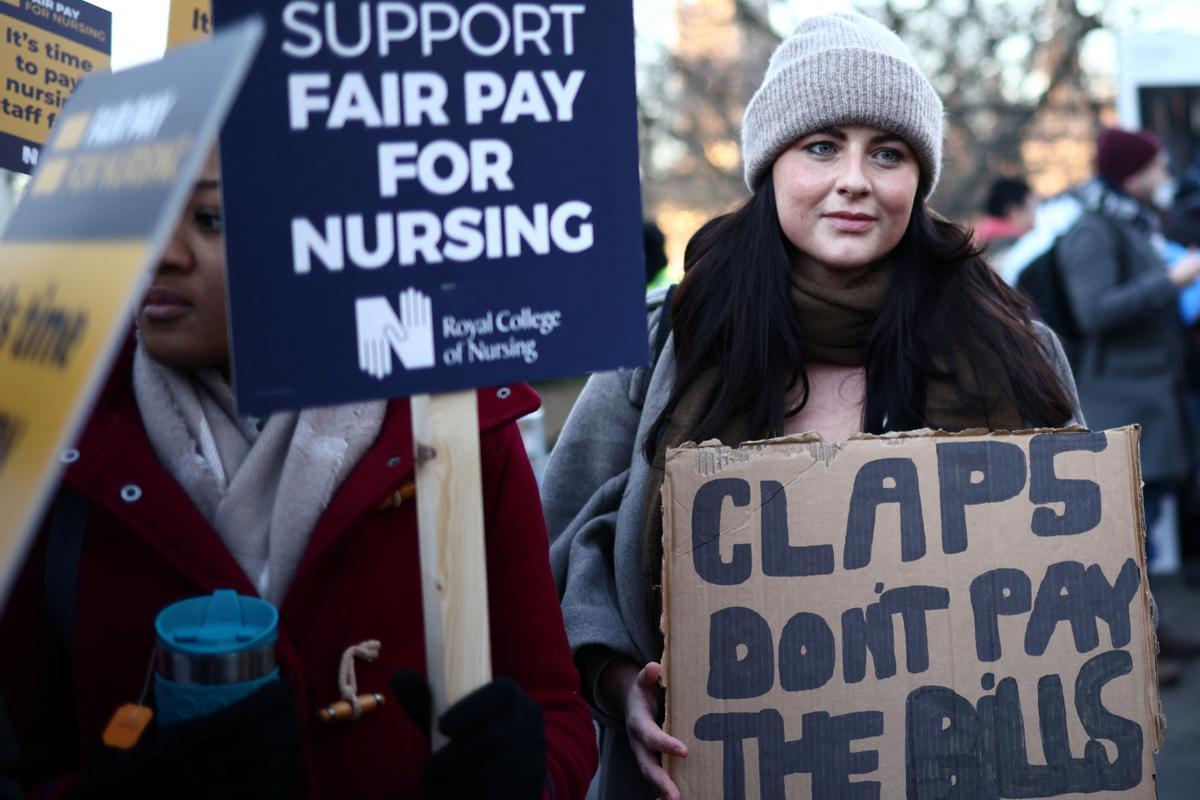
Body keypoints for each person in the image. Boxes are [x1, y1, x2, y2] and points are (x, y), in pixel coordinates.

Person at [542, 13, 1083, 800]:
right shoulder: (664, 346)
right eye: (822, 146)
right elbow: (563, 549)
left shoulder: (1018, 353)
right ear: (772, 165)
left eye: (888, 153)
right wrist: (621, 683)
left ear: (918, 180)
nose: (856, 179)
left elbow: (1076, 576)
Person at [0, 150, 598, 799]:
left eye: (209, 218)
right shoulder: (50, 441)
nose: (159, 251)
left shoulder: (462, 428)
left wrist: (525, 774)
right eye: (143, 214)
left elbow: (558, 714)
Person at [1056, 128, 1200, 682]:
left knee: (1144, 524)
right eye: (1157, 165)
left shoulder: (1125, 222)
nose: (1165, 174)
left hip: (1147, 395)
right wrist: (1171, 280)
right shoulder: (1093, 230)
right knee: (1124, 536)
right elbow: (1096, 311)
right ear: (1132, 173)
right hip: (1119, 399)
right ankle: (1131, 652)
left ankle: (1152, 634)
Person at [974, 176, 1038, 266]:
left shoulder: (983, 246)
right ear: (1013, 211)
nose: (1035, 216)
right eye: (1032, 208)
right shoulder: (1013, 255)